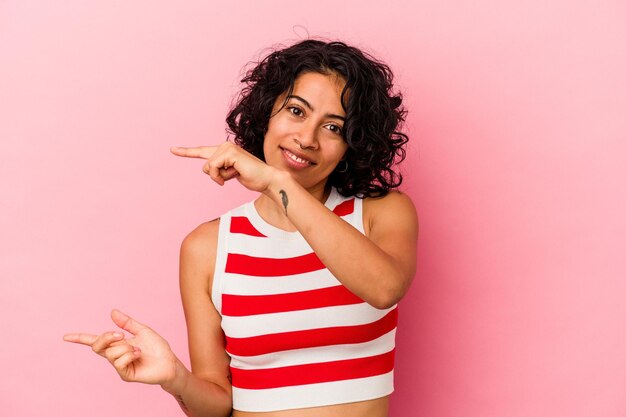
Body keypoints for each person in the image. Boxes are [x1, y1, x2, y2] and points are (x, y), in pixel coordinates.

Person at [64, 39, 418, 417]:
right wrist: (175, 379)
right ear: (266, 113)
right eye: (297, 111)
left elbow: (384, 288)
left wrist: (276, 183)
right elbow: (217, 405)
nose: (307, 138)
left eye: (333, 127)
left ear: (353, 144)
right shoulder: (208, 246)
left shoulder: (379, 213)